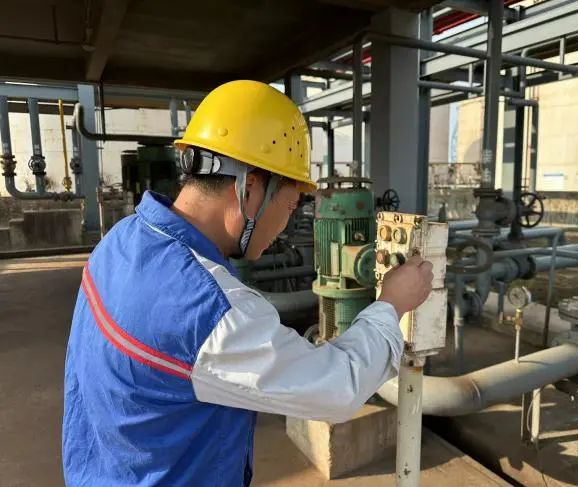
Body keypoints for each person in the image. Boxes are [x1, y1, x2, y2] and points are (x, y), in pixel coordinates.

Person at [63, 80, 434, 486]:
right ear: (250, 187)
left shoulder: (121, 240)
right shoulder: (212, 312)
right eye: (290, 205)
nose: (287, 224)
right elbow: (339, 386)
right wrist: (392, 303)